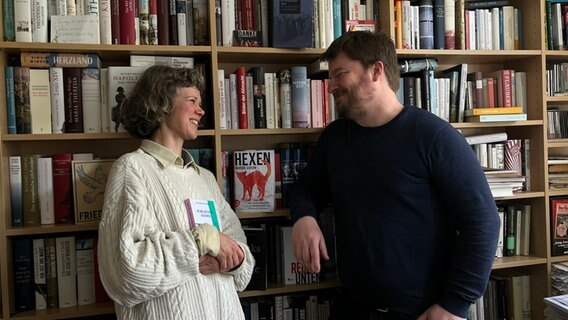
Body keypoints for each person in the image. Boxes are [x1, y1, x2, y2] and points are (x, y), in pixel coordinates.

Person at [289, 31, 500, 320]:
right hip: (352, 309)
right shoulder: (335, 139)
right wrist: (304, 217)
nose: (331, 87)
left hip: (422, 313)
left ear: (376, 71)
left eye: (340, 75)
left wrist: (454, 305)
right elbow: (306, 188)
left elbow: (483, 221)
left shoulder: (434, 137)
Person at [98, 65, 254, 320]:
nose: (201, 111)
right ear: (162, 104)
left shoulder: (205, 178)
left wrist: (231, 259)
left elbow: (244, 267)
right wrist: (203, 240)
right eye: (192, 100)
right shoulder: (132, 169)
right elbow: (124, 273)